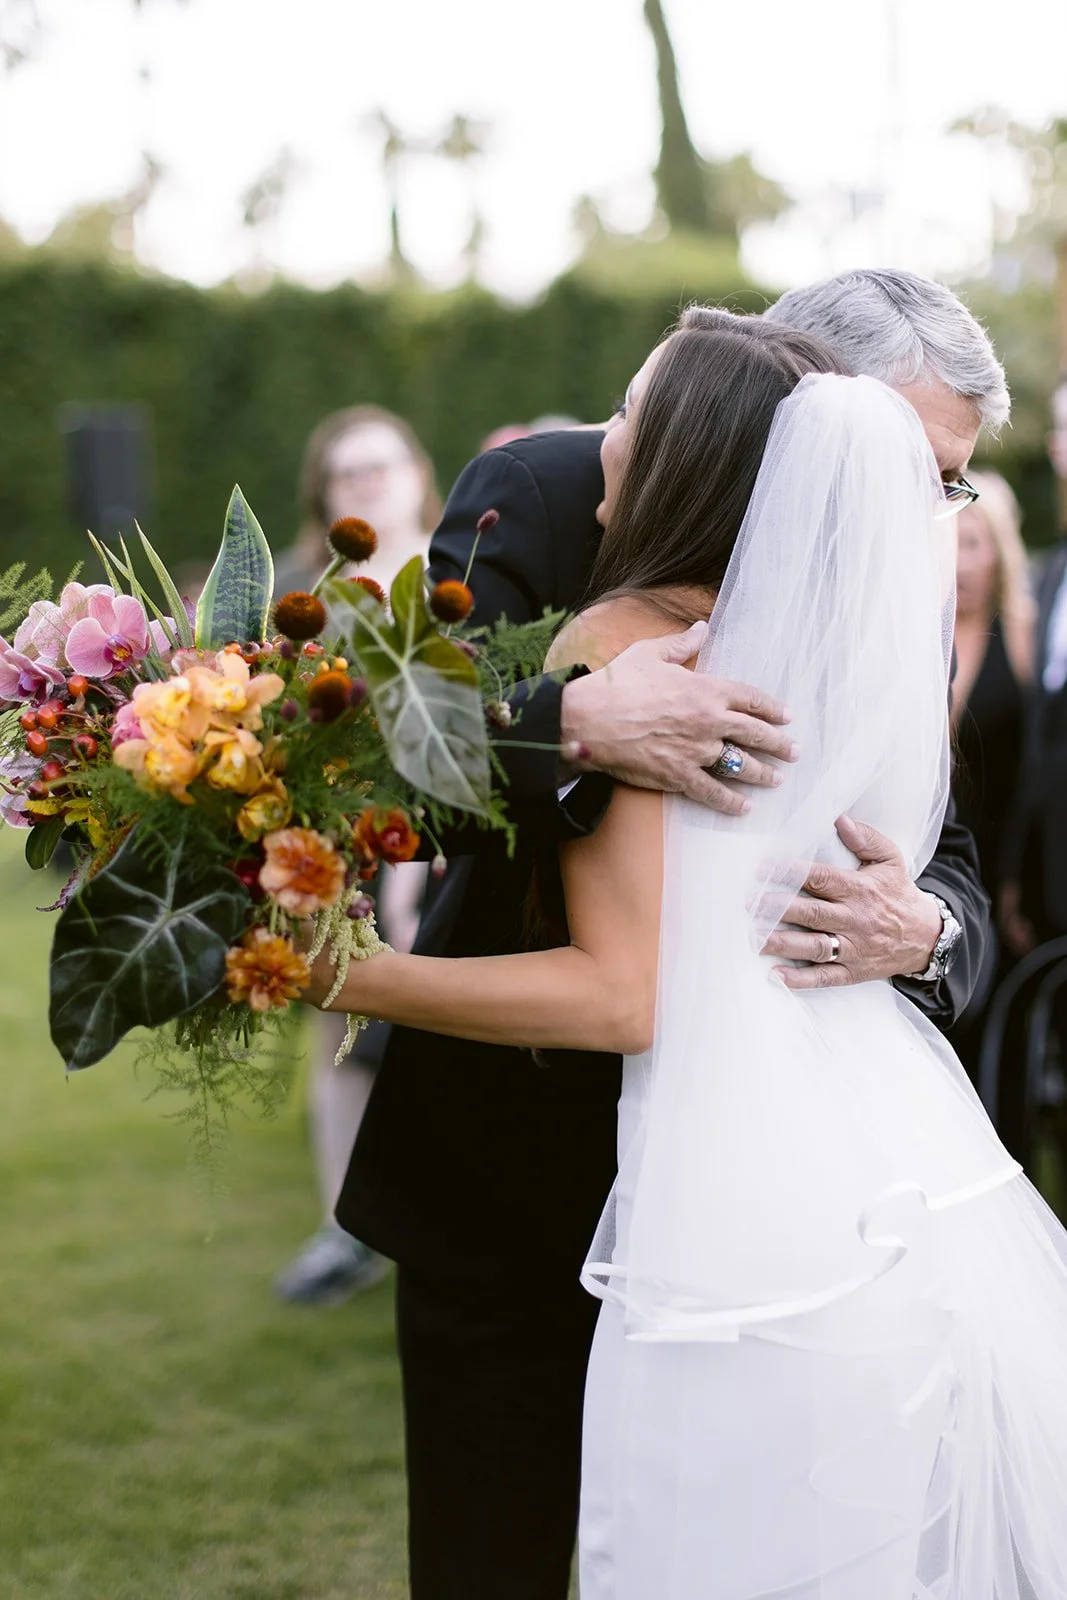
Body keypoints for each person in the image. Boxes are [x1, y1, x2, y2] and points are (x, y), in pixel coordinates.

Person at [308, 321, 1067, 1598]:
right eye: (902, 456)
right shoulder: (546, 502)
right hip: (520, 1175)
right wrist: (568, 725)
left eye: (936, 478)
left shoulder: (878, 578)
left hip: (780, 1187)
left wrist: (927, 927)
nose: (909, 502)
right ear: (792, 402)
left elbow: (948, 850)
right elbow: (406, 767)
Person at [274, 404, 439, 1305]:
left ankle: (444, 1217)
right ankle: (345, 1229)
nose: (368, 483)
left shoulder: (466, 576)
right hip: (340, 846)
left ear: (417, 472)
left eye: (381, 465)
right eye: (347, 472)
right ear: (325, 495)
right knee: (340, 1030)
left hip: (452, 836)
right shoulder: (309, 601)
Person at [946, 472, 1034, 1083]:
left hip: (999, 860)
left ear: (999, 549)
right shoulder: (912, 631)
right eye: (949, 542)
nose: (961, 562)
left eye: (973, 543)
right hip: (935, 855)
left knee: (993, 1035)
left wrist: (1016, 879)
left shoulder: (1025, 635)